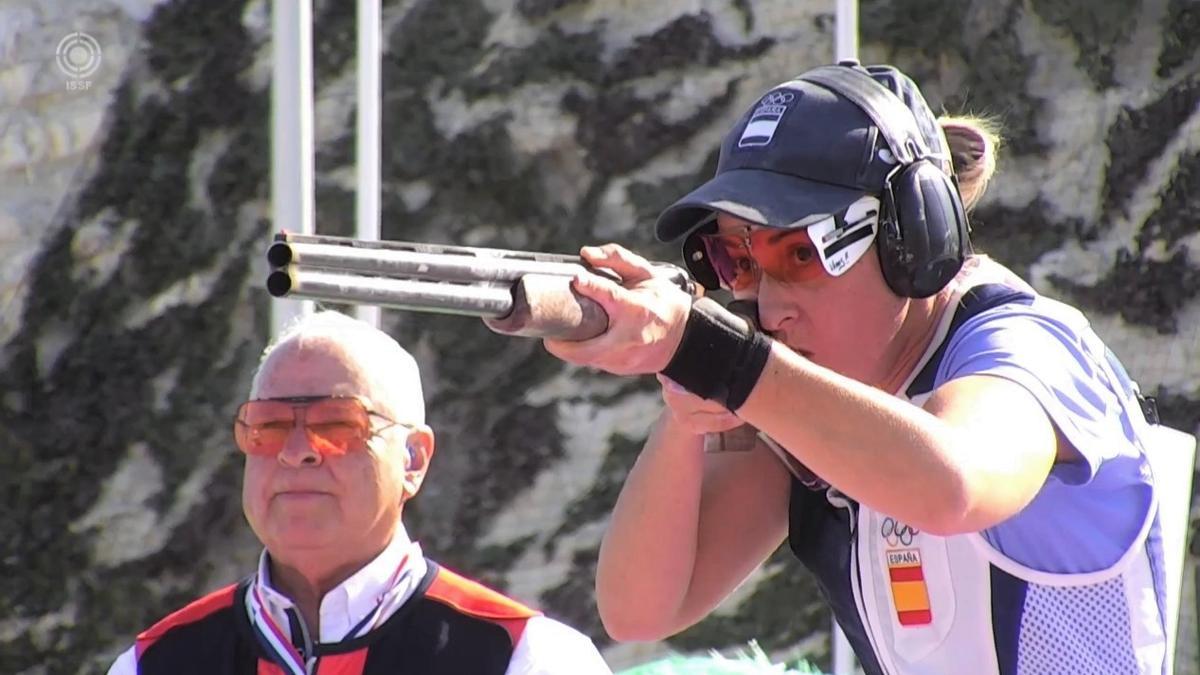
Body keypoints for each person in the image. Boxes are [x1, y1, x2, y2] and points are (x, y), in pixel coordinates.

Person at [543, 61, 1170, 674]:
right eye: (736, 259)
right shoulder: (803, 394)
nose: (767, 302)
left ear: (911, 236)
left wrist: (704, 348)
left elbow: (949, 485)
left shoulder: (1029, 345)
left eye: (799, 252)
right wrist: (688, 401)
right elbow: (642, 608)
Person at [108, 311, 612, 674]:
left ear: (413, 458)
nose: (297, 451)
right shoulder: (154, 663)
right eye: (270, 426)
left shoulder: (526, 658)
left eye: (337, 423)